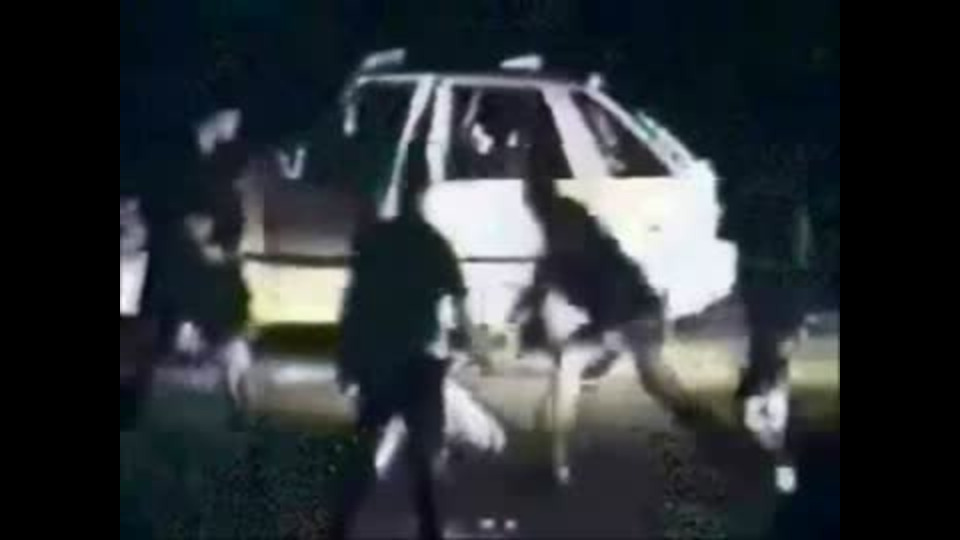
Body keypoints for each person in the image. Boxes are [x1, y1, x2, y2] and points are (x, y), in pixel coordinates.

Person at [509, 116, 702, 485]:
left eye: (530, 191)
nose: (527, 199)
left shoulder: (564, 220)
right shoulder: (559, 221)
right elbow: (548, 270)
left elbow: (604, 275)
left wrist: (608, 327)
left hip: (630, 312)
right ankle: (556, 460)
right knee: (642, 379)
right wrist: (526, 303)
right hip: (625, 311)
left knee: (606, 373)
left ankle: (558, 464)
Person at [329, 124, 473, 540]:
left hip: (378, 359)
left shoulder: (376, 239)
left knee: (363, 448)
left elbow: (353, 303)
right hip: (417, 363)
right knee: (423, 458)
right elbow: (461, 307)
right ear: (426, 191)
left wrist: (346, 357)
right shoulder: (433, 243)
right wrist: (472, 346)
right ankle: (429, 531)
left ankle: (337, 527)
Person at [719, 114, 816, 494]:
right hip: (777, 294)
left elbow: (731, 240)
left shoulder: (755, 197)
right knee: (773, 368)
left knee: (770, 369)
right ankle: (776, 453)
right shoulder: (787, 201)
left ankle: (776, 452)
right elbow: (802, 254)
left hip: (768, 293)